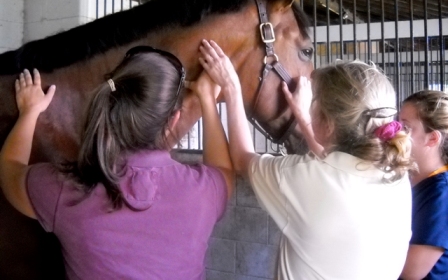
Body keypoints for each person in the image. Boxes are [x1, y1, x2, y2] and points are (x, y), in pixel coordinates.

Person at [0, 46, 233, 280]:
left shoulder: (63, 188)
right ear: (174, 121)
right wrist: (207, 100)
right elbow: (224, 172)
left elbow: (9, 170)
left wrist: (29, 112)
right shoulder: (206, 192)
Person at [198, 39, 415, 280]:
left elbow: (241, 159)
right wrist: (303, 116)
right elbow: (331, 162)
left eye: (313, 102)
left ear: (329, 125)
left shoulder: (303, 178)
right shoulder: (394, 170)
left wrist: (231, 87)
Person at [399, 90, 448, 280]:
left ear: (433, 138)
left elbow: (411, 272)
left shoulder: (441, 193)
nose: (396, 133)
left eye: (406, 127)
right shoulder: (409, 177)